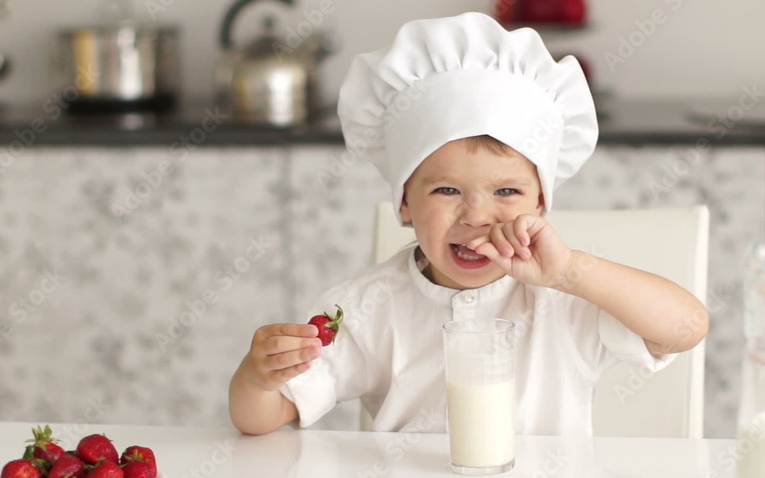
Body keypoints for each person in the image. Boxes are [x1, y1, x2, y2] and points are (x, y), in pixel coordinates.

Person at [229, 12, 708, 436]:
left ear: (540, 204)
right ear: (404, 205)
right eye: (446, 191)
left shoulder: (566, 299)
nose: (477, 216)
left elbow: (686, 326)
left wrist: (570, 272)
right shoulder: (365, 308)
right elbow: (261, 418)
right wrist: (257, 378)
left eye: (506, 192)